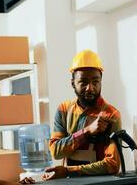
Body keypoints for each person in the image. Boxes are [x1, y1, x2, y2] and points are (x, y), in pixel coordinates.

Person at [45, 49, 122, 180]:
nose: (90, 88)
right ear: (73, 83)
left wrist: (69, 171)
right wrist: (87, 131)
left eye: (95, 82)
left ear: (101, 81)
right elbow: (55, 151)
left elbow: (113, 164)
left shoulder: (111, 114)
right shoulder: (64, 110)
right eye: (83, 82)